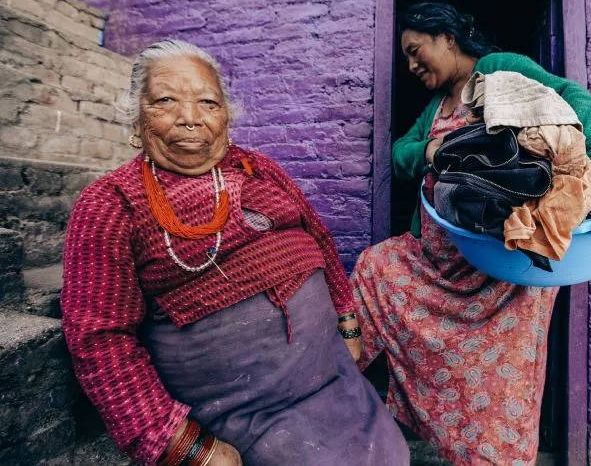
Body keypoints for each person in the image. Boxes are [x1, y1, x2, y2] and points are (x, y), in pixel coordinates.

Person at [61, 40, 410, 466]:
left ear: (227, 116)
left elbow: (318, 239)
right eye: (166, 101)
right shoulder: (110, 204)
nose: (190, 118)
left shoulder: (259, 169)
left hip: (335, 380)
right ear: (136, 117)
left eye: (208, 103)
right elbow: (99, 337)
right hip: (247, 418)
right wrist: (180, 444)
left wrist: (347, 323)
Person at [349, 3, 591, 465]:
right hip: (439, 262)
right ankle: (329, 399)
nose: (411, 65)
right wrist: (432, 149)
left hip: (503, 265)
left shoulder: (497, 68)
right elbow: (400, 153)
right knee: (376, 267)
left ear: (447, 38)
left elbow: (574, 98)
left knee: (498, 388)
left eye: (415, 50)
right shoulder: (435, 107)